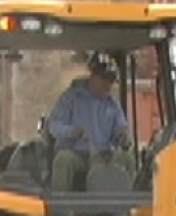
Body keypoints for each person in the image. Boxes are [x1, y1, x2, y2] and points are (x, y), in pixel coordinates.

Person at [47, 52, 133, 191]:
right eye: (104, 79)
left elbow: (121, 128)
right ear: (92, 75)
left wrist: (122, 136)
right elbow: (54, 125)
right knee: (63, 160)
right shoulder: (71, 98)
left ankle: (129, 207)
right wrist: (72, 131)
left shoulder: (112, 105)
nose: (108, 84)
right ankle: (61, 209)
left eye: (111, 80)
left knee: (127, 159)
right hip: (77, 154)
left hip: (104, 155)